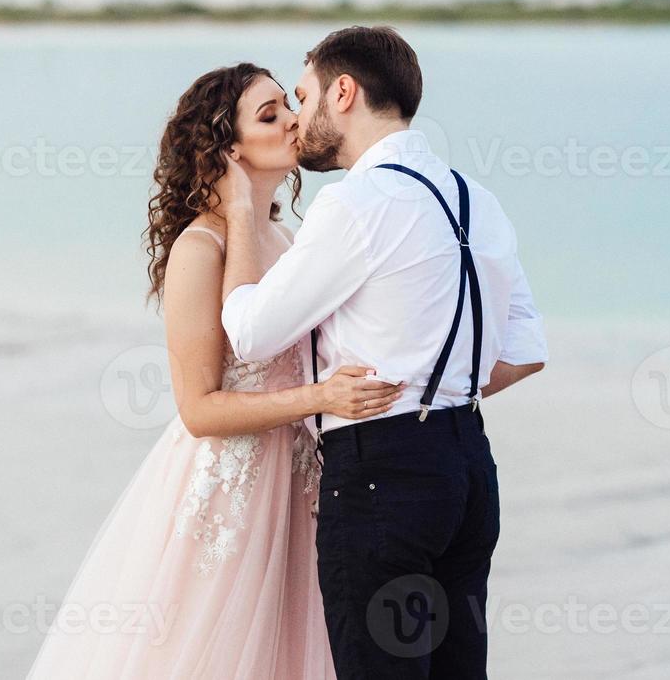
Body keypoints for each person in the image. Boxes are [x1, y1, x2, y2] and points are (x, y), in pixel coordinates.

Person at [26, 62, 404, 679]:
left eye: (288, 103)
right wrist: (319, 396)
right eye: (269, 114)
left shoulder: (288, 239)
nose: (292, 119)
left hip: (303, 485)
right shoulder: (199, 250)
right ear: (228, 149)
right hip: (234, 492)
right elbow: (199, 409)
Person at [216, 26, 549, 679]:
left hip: (381, 479)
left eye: (304, 96)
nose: (298, 117)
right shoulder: (477, 199)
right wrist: (441, 388)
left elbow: (251, 332)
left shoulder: (355, 203)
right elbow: (526, 351)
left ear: (343, 92)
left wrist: (236, 217)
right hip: (470, 473)